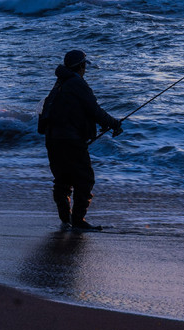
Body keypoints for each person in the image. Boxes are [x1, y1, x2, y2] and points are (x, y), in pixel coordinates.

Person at [40, 49, 122, 231]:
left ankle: (65, 219)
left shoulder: (60, 83)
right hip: (70, 141)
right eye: (85, 66)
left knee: (62, 180)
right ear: (81, 66)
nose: (85, 70)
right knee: (85, 180)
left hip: (52, 139)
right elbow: (95, 110)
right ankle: (78, 221)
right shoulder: (77, 84)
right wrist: (114, 124)